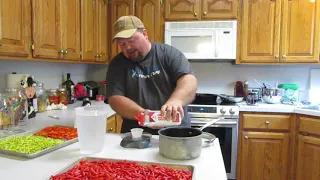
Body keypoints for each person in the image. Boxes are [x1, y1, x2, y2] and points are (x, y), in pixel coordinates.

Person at [106, 15, 198, 134]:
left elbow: (189, 80)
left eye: (131, 40)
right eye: (122, 43)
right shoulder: (117, 64)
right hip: (137, 134)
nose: (127, 47)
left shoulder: (169, 54)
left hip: (176, 132)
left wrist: (175, 101)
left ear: (145, 34)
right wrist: (142, 115)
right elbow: (115, 98)